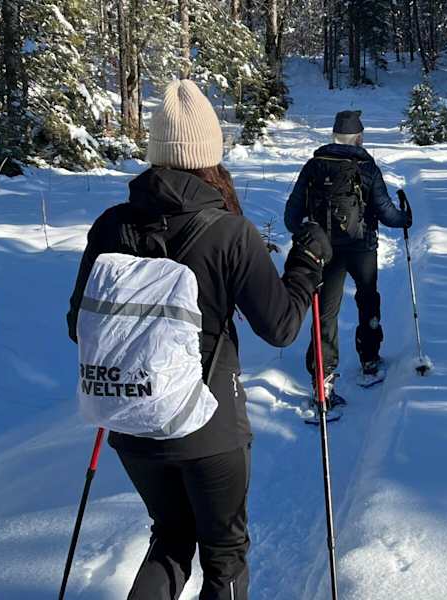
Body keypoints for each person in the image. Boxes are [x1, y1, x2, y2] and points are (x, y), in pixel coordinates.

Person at [66, 80, 331, 600]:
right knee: (225, 557)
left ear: (155, 151)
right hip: (210, 427)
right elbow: (280, 327)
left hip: (131, 420)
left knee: (170, 539)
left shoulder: (110, 226)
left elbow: (79, 323)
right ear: (210, 154)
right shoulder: (229, 232)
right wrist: (307, 264)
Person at [284, 110, 412, 406]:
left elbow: (292, 216)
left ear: (333, 135)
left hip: (324, 251)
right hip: (362, 247)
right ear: (359, 137)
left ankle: (323, 379)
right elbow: (386, 211)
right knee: (367, 299)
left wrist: (309, 233)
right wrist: (405, 218)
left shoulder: (314, 166)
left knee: (326, 312)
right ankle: (370, 359)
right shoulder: (366, 167)